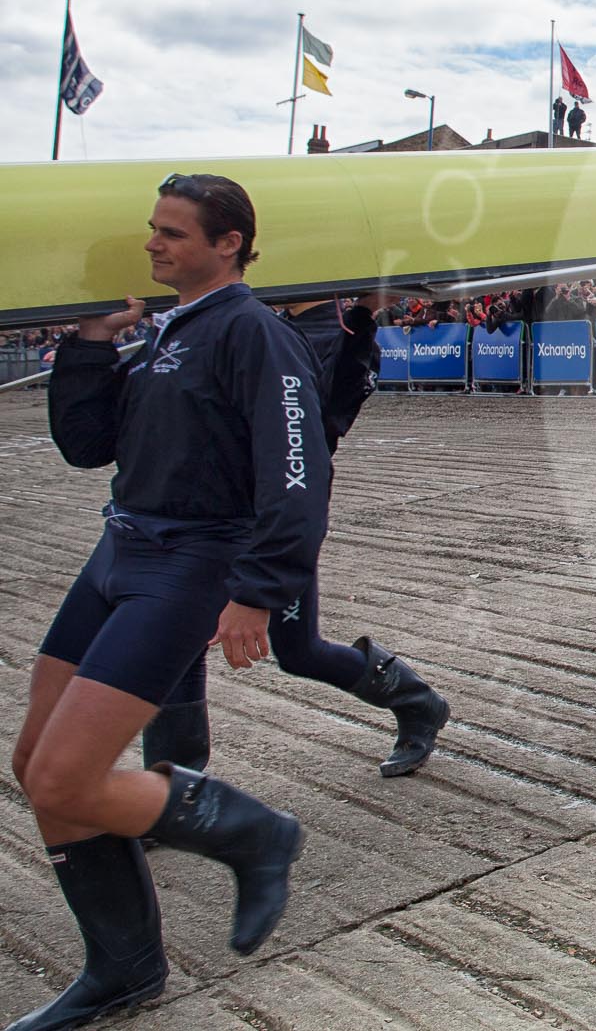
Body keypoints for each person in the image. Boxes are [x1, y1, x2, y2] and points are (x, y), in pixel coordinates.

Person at [16, 174, 320, 1030]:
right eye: (154, 230)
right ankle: (124, 971)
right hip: (119, 549)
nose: (154, 244)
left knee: (67, 775)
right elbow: (86, 445)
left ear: (229, 243)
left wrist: (258, 594)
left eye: (174, 234)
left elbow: (297, 475)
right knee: (35, 766)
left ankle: (253, 833)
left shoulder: (254, 334)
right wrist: (85, 343)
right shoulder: (162, 334)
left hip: (189, 564)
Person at [143, 296, 451, 782]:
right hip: (207, 515)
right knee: (173, 640)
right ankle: (173, 787)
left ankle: (417, 702)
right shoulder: (259, 323)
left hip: (271, 517)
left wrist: (362, 318)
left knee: (299, 650)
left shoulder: (330, 332)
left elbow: (325, 423)